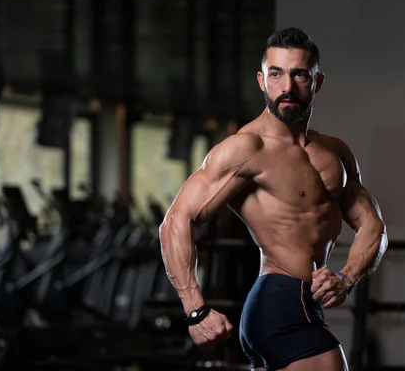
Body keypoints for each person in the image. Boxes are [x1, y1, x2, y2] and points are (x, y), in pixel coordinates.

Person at [159, 27, 388, 371]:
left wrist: (347, 277)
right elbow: (176, 220)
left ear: (317, 81)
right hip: (279, 301)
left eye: (299, 74)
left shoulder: (335, 152)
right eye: (276, 74)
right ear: (262, 80)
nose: (287, 86)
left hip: (303, 303)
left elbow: (373, 225)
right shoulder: (246, 149)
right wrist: (195, 310)